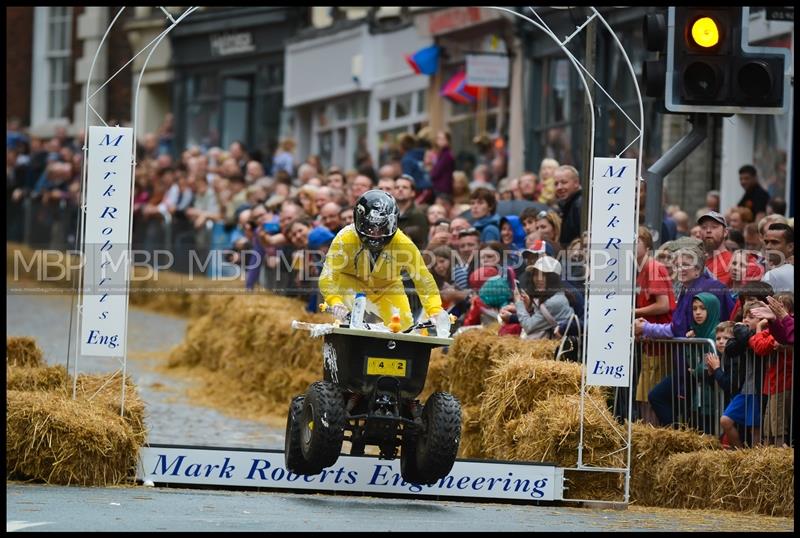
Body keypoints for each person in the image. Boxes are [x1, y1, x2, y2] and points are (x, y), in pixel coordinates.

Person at [318, 189, 448, 333]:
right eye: (370, 227)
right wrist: (334, 301)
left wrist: (435, 309)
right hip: (350, 283)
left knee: (404, 328)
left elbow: (423, 279)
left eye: (382, 227)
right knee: (350, 326)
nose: (376, 233)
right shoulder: (344, 238)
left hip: (388, 286)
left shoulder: (403, 243)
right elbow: (328, 276)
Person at [635, 247, 735, 429]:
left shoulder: (702, 288)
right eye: (678, 265)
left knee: (663, 398)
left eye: (686, 265)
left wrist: (646, 328)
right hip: (691, 363)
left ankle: (679, 436)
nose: (680, 268)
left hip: (705, 363)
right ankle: (681, 437)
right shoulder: (688, 288)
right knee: (685, 408)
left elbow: (676, 329)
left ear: (698, 270)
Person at [633, 226, 676, 426]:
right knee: (643, 396)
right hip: (651, 343)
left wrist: (634, 314)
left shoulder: (653, 268)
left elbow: (664, 305)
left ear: (648, 246)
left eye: (636, 242)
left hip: (660, 345)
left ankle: (652, 434)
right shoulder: (641, 269)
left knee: (650, 396)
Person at [511, 256, 575, 339]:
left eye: (544, 275)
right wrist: (529, 308)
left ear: (553, 278)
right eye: (536, 275)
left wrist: (519, 303)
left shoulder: (553, 301)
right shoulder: (556, 294)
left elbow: (528, 327)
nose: (538, 279)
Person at [685, 292, 722, 435]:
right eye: (694, 309)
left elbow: (705, 366)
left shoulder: (715, 333)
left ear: (712, 309)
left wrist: (696, 371)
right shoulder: (697, 332)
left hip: (713, 396)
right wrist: (690, 344)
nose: (698, 312)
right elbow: (693, 363)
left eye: (702, 308)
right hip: (700, 395)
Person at [697, 211, 733, 287]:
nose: (708, 230)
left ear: (725, 232)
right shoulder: (697, 260)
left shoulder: (730, 262)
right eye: (704, 227)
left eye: (714, 227)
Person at [554, 165, 583, 248]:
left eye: (564, 182)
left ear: (576, 183)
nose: (559, 187)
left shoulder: (579, 205)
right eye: (556, 184)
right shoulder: (568, 204)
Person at [761, 223, 794, 293]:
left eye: (774, 242)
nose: (768, 247)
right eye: (766, 242)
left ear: (790, 247)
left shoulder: (772, 275)